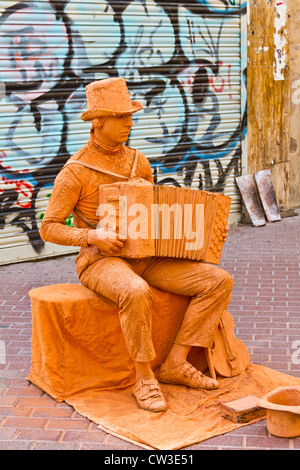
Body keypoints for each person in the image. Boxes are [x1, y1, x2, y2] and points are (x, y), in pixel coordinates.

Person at [40, 77, 233, 413]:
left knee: (217, 280)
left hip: (148, 257)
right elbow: (48, 228)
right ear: (98, 121)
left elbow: (155, 213)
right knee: (134, 290)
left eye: (130, 117)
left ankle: (175, 362)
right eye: (120, 117)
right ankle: (143, 378)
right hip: (100, 262)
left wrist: (204, 234)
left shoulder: (138, 162)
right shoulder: (74, 173)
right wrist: (91, 236)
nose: (129, 123)